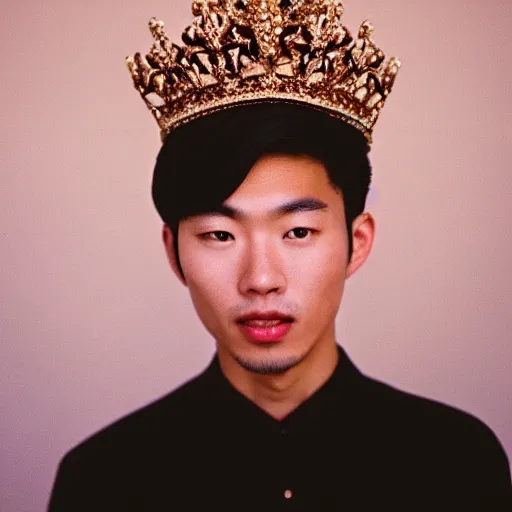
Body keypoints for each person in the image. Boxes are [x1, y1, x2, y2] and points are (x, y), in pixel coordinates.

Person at [48, 1, 512, 510]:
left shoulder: (457, 463)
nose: (261, 279)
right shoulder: (104, 481)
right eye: (220, 235)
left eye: (297, 231)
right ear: (174, 253)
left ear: (356, 243)